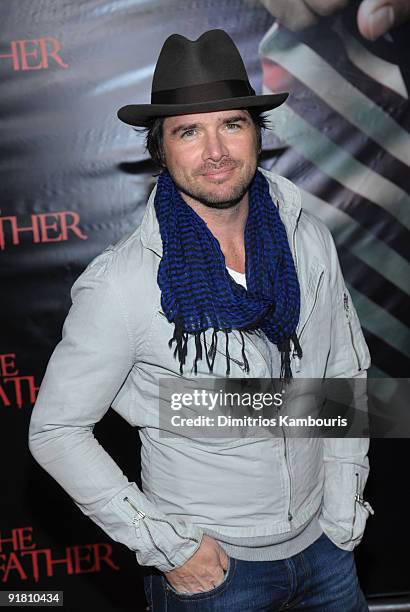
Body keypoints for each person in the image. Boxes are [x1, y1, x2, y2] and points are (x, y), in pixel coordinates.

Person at [28, 29, 373, 611]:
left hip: (326, 553)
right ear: (161, 150)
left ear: (257, 134)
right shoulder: (123, 282)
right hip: (217, 576)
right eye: (189, 131)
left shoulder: (307, 240)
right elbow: (56, 432)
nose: (215, 150)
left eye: (231, 124)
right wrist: (168, 546)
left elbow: (343, 371)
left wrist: (343, 501)